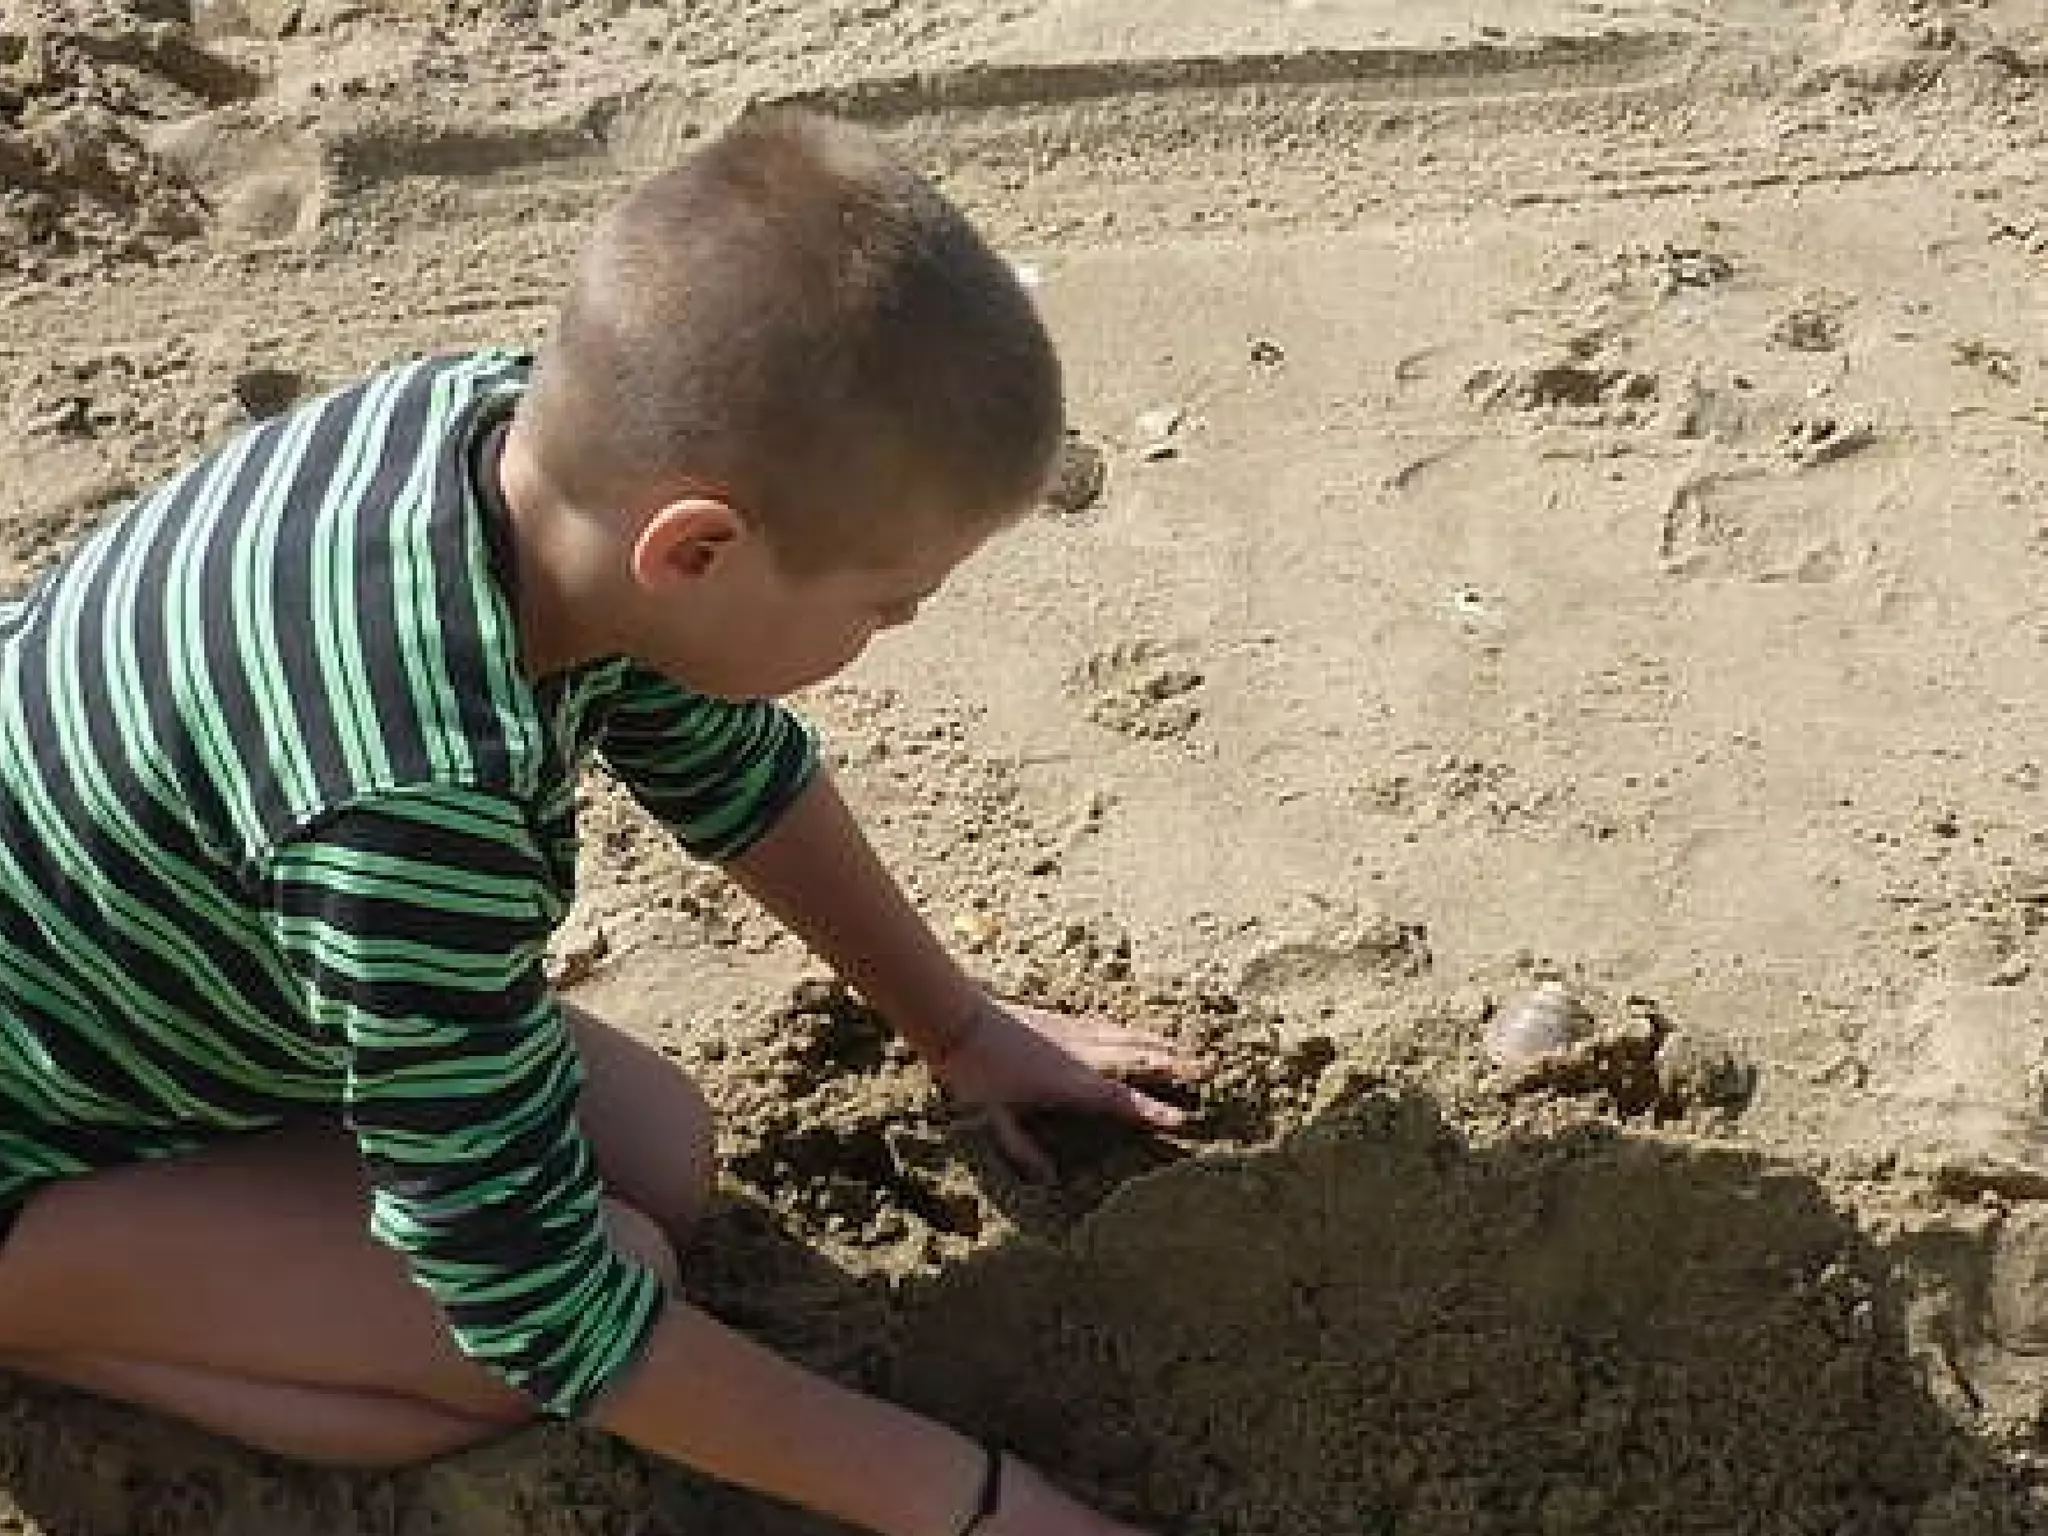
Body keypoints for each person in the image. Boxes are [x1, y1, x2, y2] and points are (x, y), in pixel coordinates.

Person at [0, 107, 1199, 1536]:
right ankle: (41, 1317)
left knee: (663, 1152)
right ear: (696, 549)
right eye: (886, 606)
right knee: (536, 1330)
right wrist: (977, 1502)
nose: (892, 633)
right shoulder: (414, 806)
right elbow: (535, 1307)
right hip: (41, 1134)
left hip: (149, 985)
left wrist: (959, 1028)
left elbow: (727, 768)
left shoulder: (505, 443)